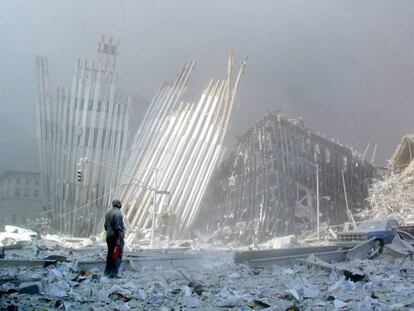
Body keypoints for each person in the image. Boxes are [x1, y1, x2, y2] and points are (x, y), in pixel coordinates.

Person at [104, 199, 125, 278]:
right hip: (116, 237)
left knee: (110, 254)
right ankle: (113, 273)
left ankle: (107, 271)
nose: (121, 204)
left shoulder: (108, 213)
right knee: (117, 255)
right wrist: (119, 239)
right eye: (120, 203)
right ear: (118, 204)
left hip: (109, 236)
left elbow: (105, 226)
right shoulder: (118, 214)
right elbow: (117, 227)